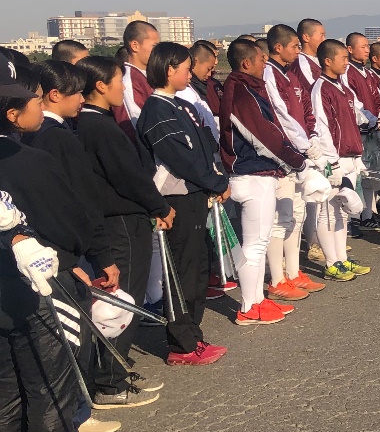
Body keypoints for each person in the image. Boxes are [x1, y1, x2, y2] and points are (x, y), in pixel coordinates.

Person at [0, 82, 112, 432]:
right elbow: (70, 222)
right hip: (39, 283)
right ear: (12, 114)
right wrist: (78, 253)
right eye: (31, 103)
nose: (37, 109)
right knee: (50, 382)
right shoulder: (29, 161)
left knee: (6, 385)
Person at [74, 55, 172, 406]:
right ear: (100, 85)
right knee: (121, 300)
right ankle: (110, 382)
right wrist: (159, 206)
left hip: (109, 221)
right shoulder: (99, 126)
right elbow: (129, 176)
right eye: (119, 81)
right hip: (120, 221)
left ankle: (111, 370)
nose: (123, 88)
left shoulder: (84, 124)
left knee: (115, 298)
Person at [136, 42, 230, 366]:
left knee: (198, 269)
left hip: (194, 195)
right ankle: (181, 344)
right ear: (169, 69)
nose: (191, 74)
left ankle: (194, 335)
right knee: (182, 272)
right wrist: (216, 182)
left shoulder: (176, 105)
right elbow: (182, 158)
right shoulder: (157, 110)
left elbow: (202, 148)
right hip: (176, 197)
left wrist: (213, 181)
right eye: (187, 69)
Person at [219, 39, 306, 325]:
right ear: (246, 63)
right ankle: (248, 306)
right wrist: (295, 161)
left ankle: (256, 299)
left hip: (260, 174)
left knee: (260, 241)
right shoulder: (242, 92)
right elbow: (263, 136)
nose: (264, 63)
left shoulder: (248, 88)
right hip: (250, 173)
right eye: (260, 59)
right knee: (254, 246)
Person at [261, 25, 326, 301]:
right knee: (281, 218)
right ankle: (277, 278)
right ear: (278, 47)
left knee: (296, 215)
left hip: (302, 152)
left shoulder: (292, 74)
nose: (298, 50)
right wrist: (302, 144)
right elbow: (281, 115)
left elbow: (306, 110)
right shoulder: (269, 74)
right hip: (285, 154)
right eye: (294, 46)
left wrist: (312, 136)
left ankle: (294, 272)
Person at [309, 39, 371, 280]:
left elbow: (355, 116)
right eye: (343, 58)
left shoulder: (343, 87)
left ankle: (342, 258)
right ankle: (331, 262)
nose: (347, 63)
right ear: (327, 61)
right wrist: (331, 163)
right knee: (327, 211)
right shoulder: (321, 89)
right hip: (333, 159)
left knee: (342, 212)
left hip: (350, 156)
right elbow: (322, 127)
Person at [115, 20, 159, 141]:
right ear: (135, 46)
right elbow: (134, 124)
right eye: (154, 46)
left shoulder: (145, 76)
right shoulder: (128, 80)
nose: (157, 52)